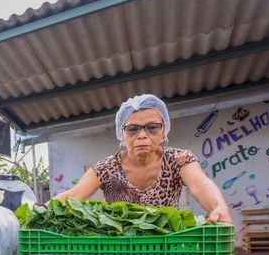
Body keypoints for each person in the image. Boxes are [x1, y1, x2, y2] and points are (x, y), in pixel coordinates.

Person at [53, 93, 233, 224]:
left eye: (152, 127)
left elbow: (199, 184)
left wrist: (218, 207)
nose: (142, 135)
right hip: (122, 247)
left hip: (166, 246)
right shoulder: (106, 168)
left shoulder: (177, 160)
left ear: (164, 130)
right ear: (121, 133)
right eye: (133, 129)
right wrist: (39, 210)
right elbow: (74, 194)